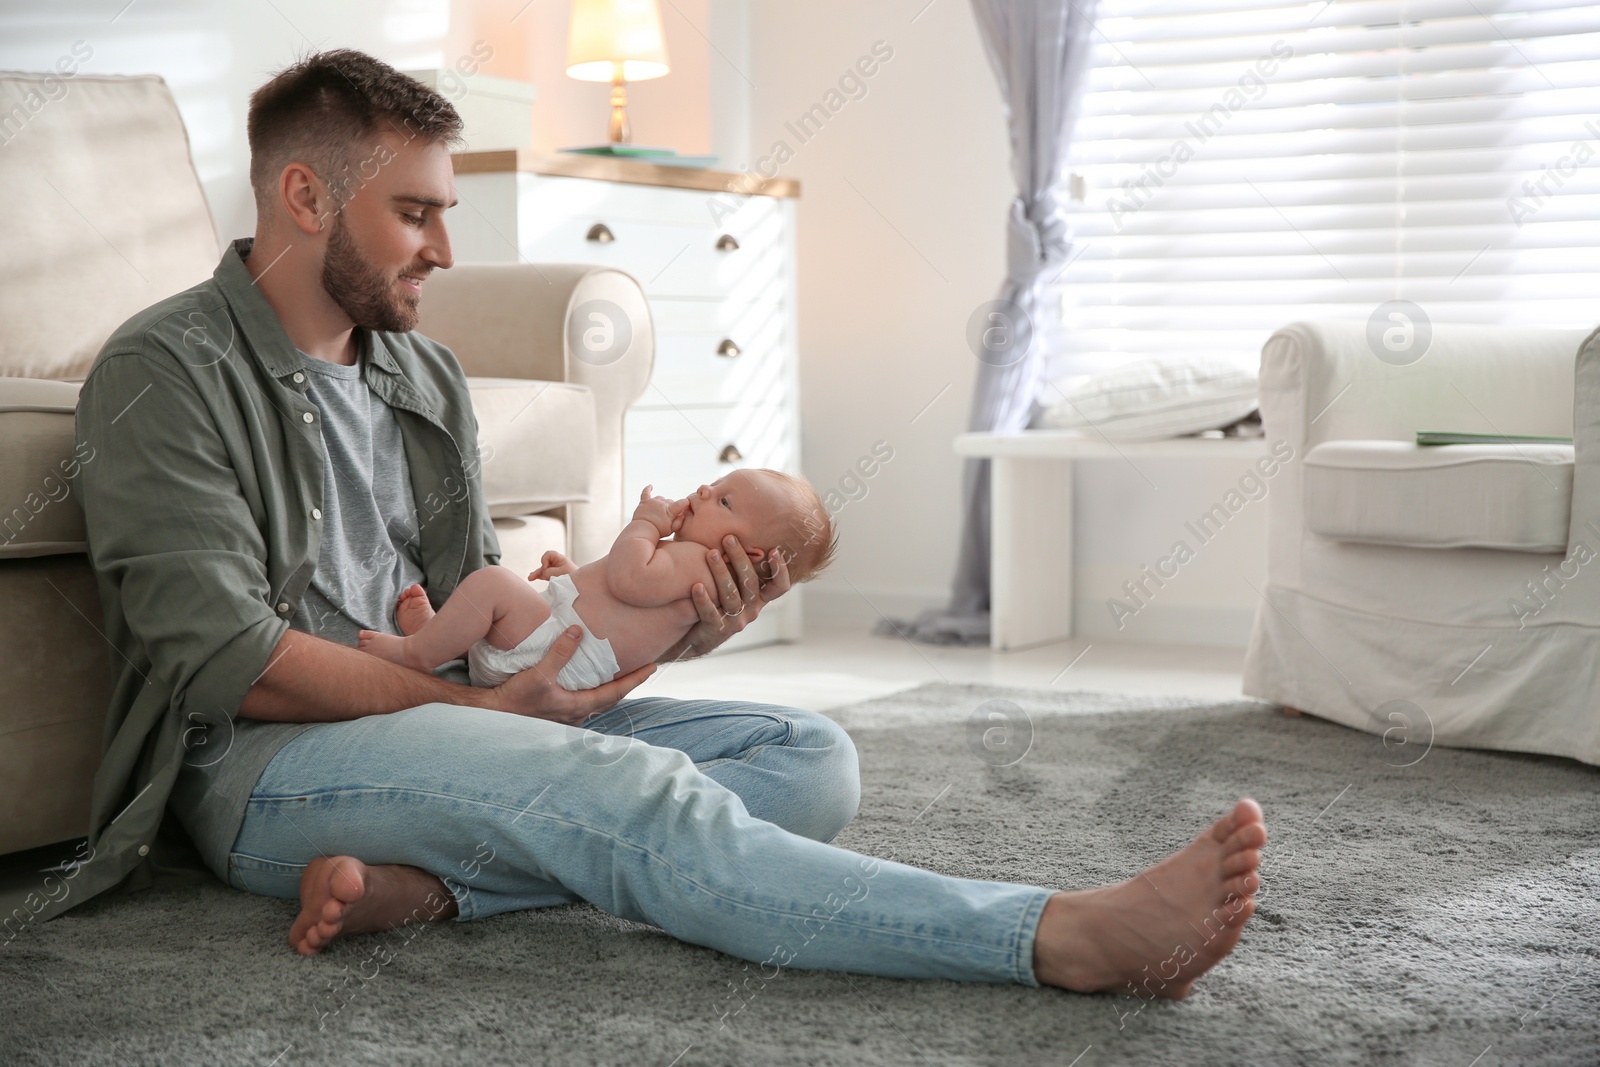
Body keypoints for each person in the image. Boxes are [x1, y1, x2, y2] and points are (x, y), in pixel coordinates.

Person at [63, 48, 1266, 995]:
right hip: (268, 774)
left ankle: (430, 892)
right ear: (305, 192)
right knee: (627, 794)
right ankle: (1051, 936)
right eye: (417, 212)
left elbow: (484, 609)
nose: (444, 246)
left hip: (458, 713)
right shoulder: (163, 373)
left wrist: (663, 639)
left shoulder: (418, 377)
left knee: (807, 759)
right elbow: (236, 666)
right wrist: (493, 714)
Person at [358, 472, 835, 691]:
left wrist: (645, 523)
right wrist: (574, 576)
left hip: (556, 657)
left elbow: (629, 580)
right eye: (716, 483)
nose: (705, 490)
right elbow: (620, 604)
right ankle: (449, 639)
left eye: (724, 502)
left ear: (747, 554)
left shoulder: (696, 563)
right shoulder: (692, 569)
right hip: (565, 651)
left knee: (494, 586)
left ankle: (416, 654)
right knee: (502, 604)